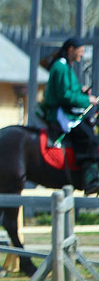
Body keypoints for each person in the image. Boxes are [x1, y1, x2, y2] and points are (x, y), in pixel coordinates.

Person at [38, 37, 99, 195]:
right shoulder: (60, 66)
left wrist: (81, 90)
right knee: (88, 138)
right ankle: (90, 180)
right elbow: (64, 95)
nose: (83, 54)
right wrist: (87, 100)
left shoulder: (66, 66)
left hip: (67, 110)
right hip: (60, 113)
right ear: (71, 49)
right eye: (81, 50)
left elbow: (69, 88)